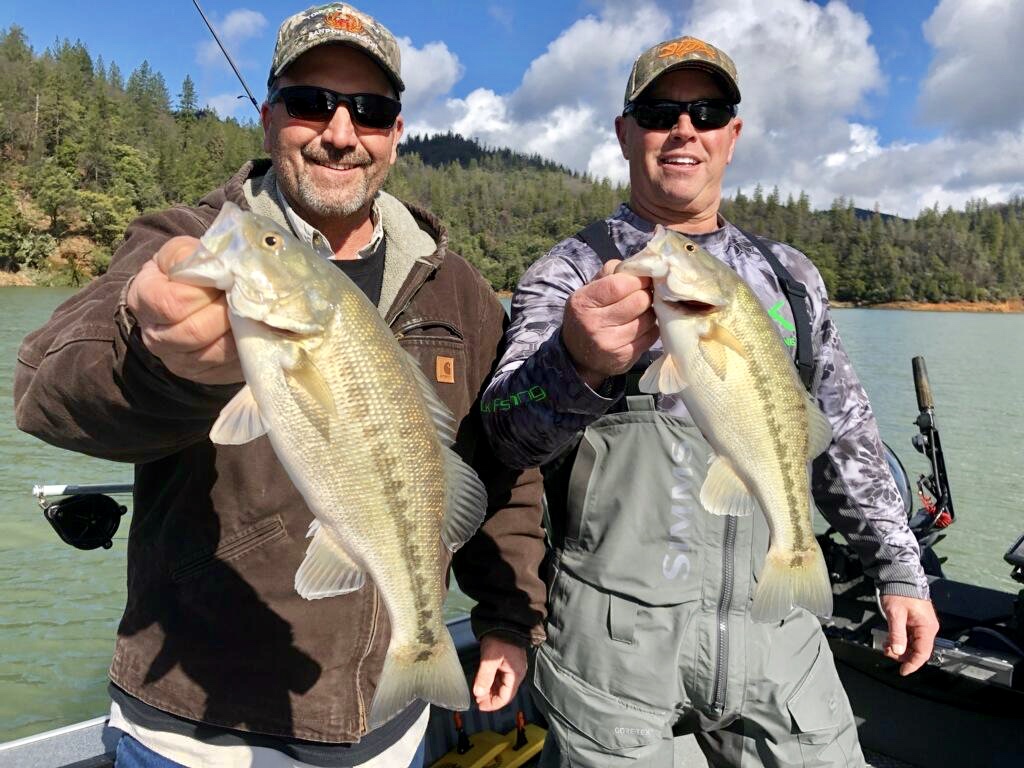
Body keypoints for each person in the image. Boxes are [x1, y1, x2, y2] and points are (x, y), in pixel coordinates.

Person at [14, 4, 546, 767]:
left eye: (369, 110)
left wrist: (505, 615)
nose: (339, 131)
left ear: (396, 133)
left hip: (386, 734)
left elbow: (499, 471)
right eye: (309, 103)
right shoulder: (181, 241)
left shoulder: (456, 287)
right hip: (195, 732)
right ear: (267, 119)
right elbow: (46, 388)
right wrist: (155, 351)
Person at [480, 35, 940, 768]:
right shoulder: (570, 271)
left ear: (732, 132)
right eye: (662, 111)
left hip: (778, 634)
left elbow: (846, 438)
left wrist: (898, 569)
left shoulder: (788, 277)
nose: (684, 128)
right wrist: (576, 365)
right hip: (615, 648)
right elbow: (503, 436)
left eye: (707, 110)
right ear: (626, 132)